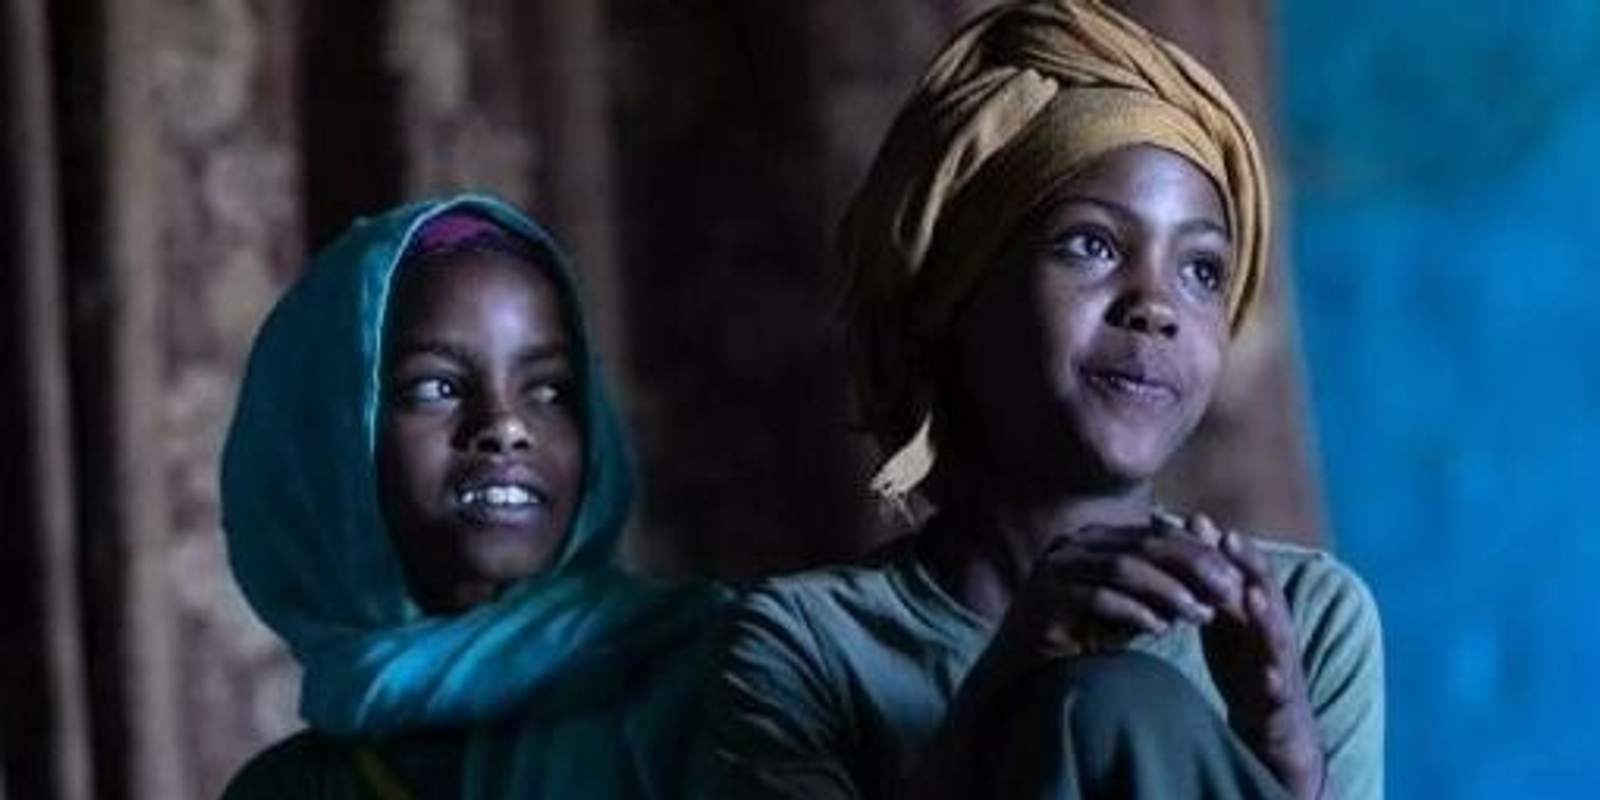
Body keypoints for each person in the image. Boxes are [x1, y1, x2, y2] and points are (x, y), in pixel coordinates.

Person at [695, 2, 1383, 799]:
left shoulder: (1307, 618)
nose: (1155, 305)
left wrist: (1283, 741)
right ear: (956, 292)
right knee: (1112, 704)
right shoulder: (803, 649)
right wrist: (1012, 679)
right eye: (1090, 244)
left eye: (1201, 270)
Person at [220, 195, 722, 799]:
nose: (506, 426)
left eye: (550, 390)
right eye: (435, 387)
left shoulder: (721, 688)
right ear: (328, 440)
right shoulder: (292, 789)